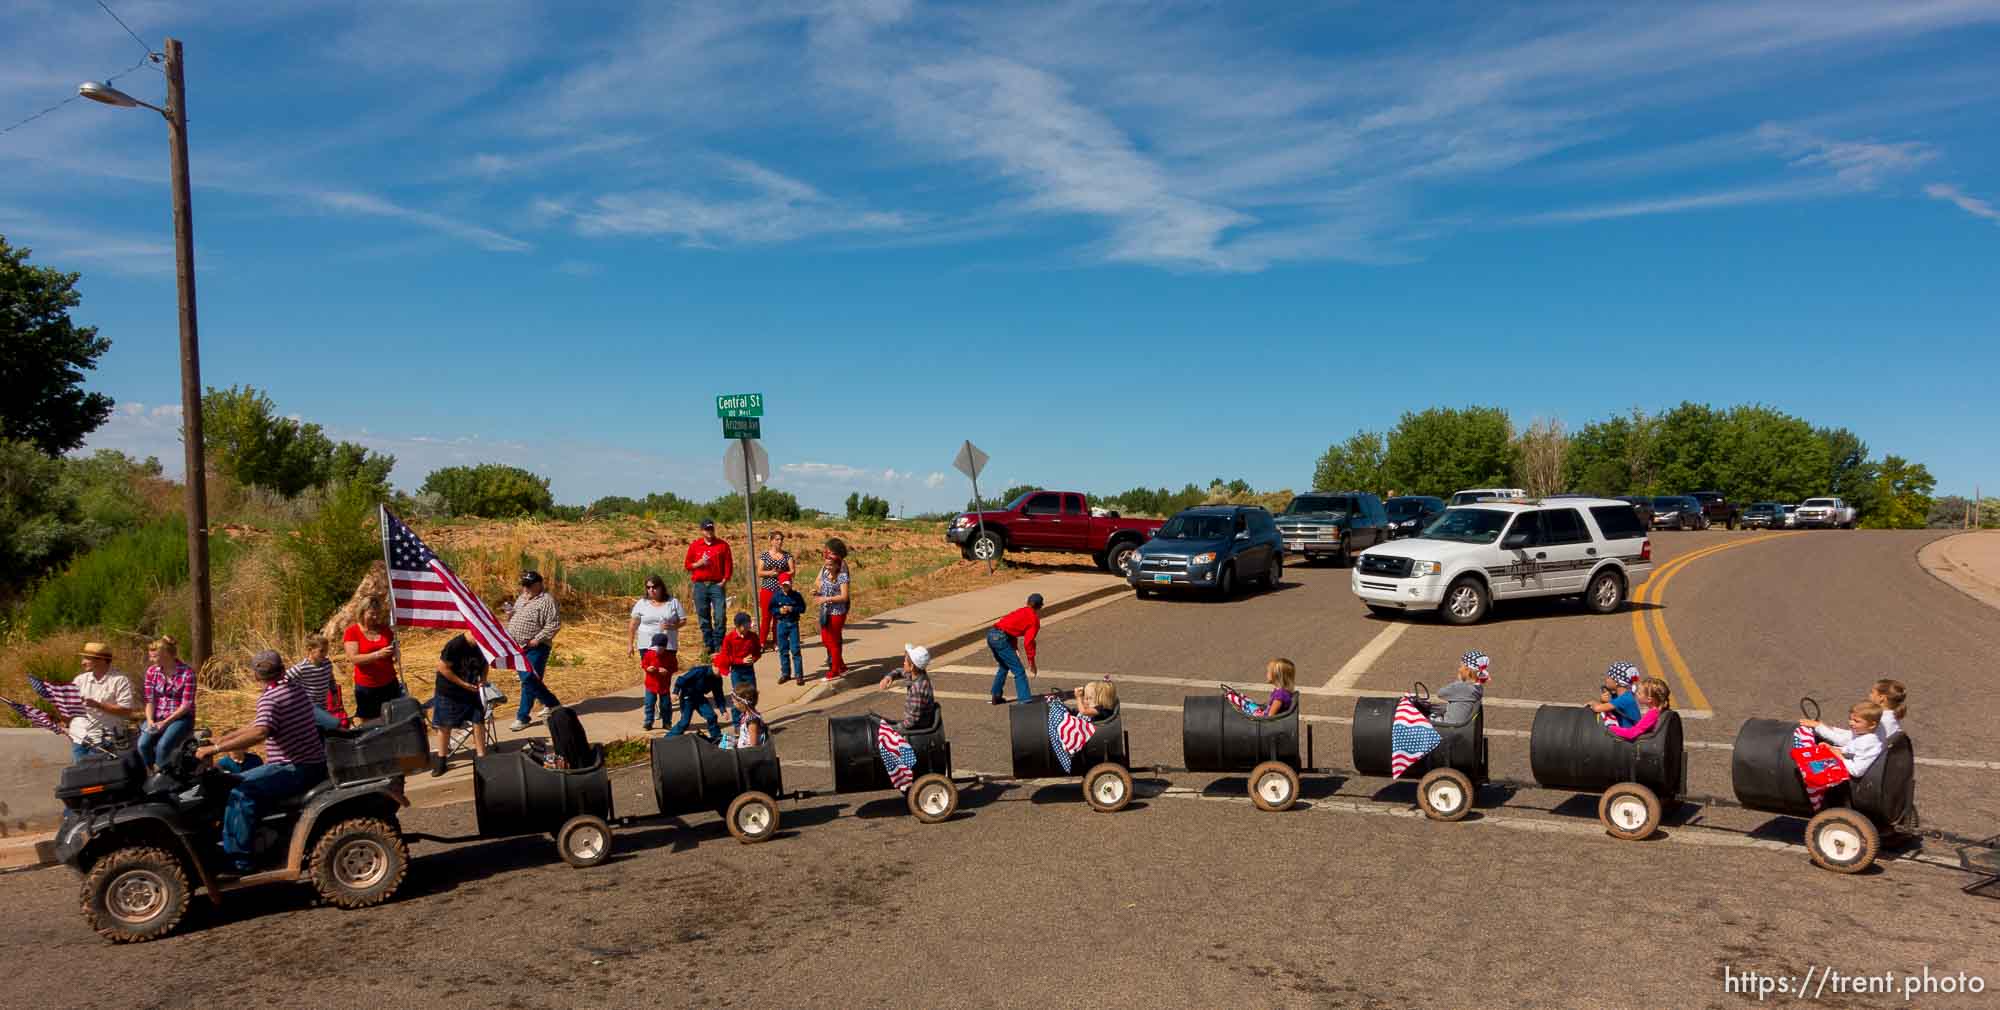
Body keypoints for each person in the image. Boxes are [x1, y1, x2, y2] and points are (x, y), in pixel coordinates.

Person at [196, 650, 326, 875]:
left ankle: (239, 861)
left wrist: (215, 749)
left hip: (295, 767)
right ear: (283, 669)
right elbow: (258, 724)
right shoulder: (293, 689)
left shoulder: (270, 698)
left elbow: (260, 732)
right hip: (309, 763)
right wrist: (222, 739)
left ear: (256, 676)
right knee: (233, 782)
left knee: (238, 791)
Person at [505, 570, 563, 731]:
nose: (525, 588)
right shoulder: (522, 598)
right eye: (524, 585)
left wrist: (537, 639)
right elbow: (516, 616)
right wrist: (510, 615)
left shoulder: (547, 600)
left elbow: (554, 624)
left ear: (538, 584)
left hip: (536, 647)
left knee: (529, 679)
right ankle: (541, 707)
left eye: (529, 585)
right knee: (529, 681)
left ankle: (547, 707)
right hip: (518, 646)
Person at [429, 634, 490, 775]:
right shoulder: (455, 645)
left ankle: (482, 758)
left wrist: (483, 679)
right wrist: (463, 684)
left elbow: (486, 663)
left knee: (478, 720)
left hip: (471, 689)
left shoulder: (484, 644)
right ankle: (441, 761)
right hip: (450, 691)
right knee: (445, 724)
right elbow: (443, 668)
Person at [67, 641, 138, 763]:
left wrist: (98, 705)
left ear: (101, 660)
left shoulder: (120, 680)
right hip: (79, 737)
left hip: (104, 739)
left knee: (97, 777)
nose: (82, 662)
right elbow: (71, 707)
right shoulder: (80, 680)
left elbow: (126, 711)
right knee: (79, 777)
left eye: (87, 659)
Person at [136, 636, 197, 770]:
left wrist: (165, 723)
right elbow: (150, 700)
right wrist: (150, 720)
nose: (151, 660)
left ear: (166, 655)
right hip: (157, 715)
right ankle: (152, 770)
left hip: (180, 717)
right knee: (142, 744)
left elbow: (186, 705)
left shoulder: (187, 673)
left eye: (155, 657)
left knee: (164, 745)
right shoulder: (152, 671)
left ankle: (163, 773)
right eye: (151, 657)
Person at [343, 598, 403, 724]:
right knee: (370, 722)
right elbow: (353, 658)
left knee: (395, 717)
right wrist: (377, 654)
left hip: (389, 682)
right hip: (367, 686)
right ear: (362, 612)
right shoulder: (352, 632)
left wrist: (396, 653)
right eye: (372, 613)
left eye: (377, 613)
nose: (375, 617)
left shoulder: (385, 629)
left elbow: (394, 648)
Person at [685, 519, 734, 653]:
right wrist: (699, 563)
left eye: (711, 529)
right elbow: (688, 565)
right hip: (700, 585)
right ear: (702, 531)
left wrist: (725, 580)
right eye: (707, 529)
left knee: (720, 615)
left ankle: (719, 643)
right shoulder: (695, 546)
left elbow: (728, 564)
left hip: (716, 584)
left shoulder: (722, 545)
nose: (709, 531)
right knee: (703, 615)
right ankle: (708, 643)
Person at [1803, 701, 1887, 779]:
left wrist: (1839, 756)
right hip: (1847, 762)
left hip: (1857, 780)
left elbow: (1857, 771)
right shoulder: (1863, 734)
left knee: (1811, 772)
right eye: (1850, 719)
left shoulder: (1868, 743)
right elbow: (1850, 748)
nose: (1851, 723)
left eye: (1856, 721)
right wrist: (1832, 748)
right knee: (1810, 765)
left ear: (1872, 725)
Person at [987, 593, 1044, 705]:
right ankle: (1025, 700)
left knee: (1004, 666)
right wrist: (1031, 662)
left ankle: (996, 695)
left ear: (1027, 603)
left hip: (991, 634)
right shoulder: (1034, 620)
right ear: (1040, 606)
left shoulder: (1021, 611)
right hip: (1001, 639)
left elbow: (1009, 627)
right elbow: (1029, 642)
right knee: (1019, 671)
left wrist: (1014, 647)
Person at [813, 537, 852, 682]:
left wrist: (825, 598)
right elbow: (818, 582)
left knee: (833, 641)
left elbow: (844, 596)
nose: (827, 563)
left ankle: (835, 670)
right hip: (826, 610)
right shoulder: (826, 567)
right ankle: (841, 666)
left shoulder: (842, 571)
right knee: (826, 639)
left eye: (829, 552)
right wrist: (816, 591)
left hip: (837, 611)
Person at [714, 612, 763, 727]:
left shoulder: (752, 636)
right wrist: (741, 661)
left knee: (751, 695)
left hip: (749, 669)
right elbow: (726, 657)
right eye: (745, 625)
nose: (748, 627)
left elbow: (757, 652)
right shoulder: (729, 638)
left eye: (748, 625)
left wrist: (753, 659)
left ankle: (751, 720)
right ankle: (737, 724)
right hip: (737, 670)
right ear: (738, 626)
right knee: (739, 696)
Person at [286, 633, 342, 731]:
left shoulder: (327, 664)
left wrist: (334, 693)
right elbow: (285, 679)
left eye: (326, 651)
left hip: (322, 704)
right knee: (334, 724)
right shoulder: (302, 668)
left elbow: (331, 679)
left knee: (320, 731)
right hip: (308, 705)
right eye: (321, 651)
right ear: (310, 650)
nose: (325, 654)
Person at [879, 643, 938, 732]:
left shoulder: (918, 689)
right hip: (915, 721)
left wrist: (893, 728)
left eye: (905, 661)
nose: (903, 663)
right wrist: (889, 677)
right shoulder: (916, 674)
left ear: (912, 666)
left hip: (918, 726)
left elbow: (911, 721)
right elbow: (899, 671)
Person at [668, 658, 727, 740]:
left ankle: (716, 737)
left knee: (712, 716)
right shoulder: (699, 671)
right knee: (684, 722)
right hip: (687, 697)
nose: (721, 674)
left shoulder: (718, 679)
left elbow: (719, 695)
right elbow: (681, 679)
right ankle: (668, 738)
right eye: (721, 671)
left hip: (700, 698)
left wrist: (723, 710)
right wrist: (675, 692)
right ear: (714, 665)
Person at [1604, 677, 1672, 741]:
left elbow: (1631, 734)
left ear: (1649, 699)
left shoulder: (1652, 714)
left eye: (1639, 693)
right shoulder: (1660, 711)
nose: (1636, 694)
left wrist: (1610, 727)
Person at [756, 531, 794, 646]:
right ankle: (761, 642)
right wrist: (771, 573)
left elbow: (792, 571)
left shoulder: (787, 556)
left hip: (782, 589)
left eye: (781, 539)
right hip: (767, 589)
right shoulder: (764, 555)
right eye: (777, 539)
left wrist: (781, 574)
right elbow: (759, 572)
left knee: (779, 616)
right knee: (766, 617)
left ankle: (777, 642)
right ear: (771, 541)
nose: (779, 542)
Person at [769, 572, 808, 684]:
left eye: (788, 584)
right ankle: (785, 673)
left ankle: (799, 675)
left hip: (793, 624)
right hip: (781, 624)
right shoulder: (776, 596)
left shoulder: (796, 595)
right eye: (784, 585)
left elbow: (802, 608)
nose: (786, 587)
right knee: (783, 650)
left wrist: (793, 609)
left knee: (795, 649)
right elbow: (771, 609)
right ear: (780, 585)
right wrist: (779, 611)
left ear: (791, 584)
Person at [1435, 650, 1489, 728]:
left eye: (1461, 667)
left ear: (1468, 671)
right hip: (1462, 727)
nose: (1459, 669)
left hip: (1449, 728)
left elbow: (1440, 693)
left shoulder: (1460, 687)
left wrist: (1459, 681)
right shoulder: (1478, 688)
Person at [1589, 661, 1643, 728]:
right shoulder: (1626, 695)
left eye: (1609, 677)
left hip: (1627, 734)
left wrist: (1594, 703)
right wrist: (1606, 701)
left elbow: (1597, 708)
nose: (1606, 680)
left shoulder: (1625, 698)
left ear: (1617, 682)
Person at [641, 632, 676, 731]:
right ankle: (648, 721)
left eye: (659, 648)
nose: (656, 651)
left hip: (664, 685)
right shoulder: (649, 653)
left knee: (665, 705)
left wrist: (667, 671)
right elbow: (644, 664)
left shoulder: (670, 656)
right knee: (649, 703)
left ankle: (667, 722)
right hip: (651, 684)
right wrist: (648, 668)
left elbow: (674, 667)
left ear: (664, 647)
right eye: (655, 648)